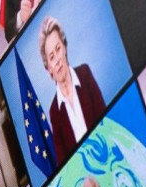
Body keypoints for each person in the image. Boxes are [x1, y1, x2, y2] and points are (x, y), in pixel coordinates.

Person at [39, 16, 106, 165]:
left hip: (106, 156)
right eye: (51, 57)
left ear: (65, 47)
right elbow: (65, 163)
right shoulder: (54, 111)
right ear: (48, 68)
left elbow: (105, 121)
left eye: (58, 49)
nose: (57, 59)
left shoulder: (85, 74)